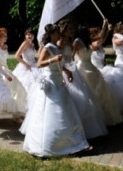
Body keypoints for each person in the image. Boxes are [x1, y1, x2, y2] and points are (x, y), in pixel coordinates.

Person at [20, 24, 91, 157]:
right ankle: (49, 146)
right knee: (54, 112)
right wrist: (52, 59)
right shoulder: (47, 47)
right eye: (57, 33)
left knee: (67, 112)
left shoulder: (56, 47)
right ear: (52, 34)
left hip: (59, 81)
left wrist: (68, 71)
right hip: (51, 83)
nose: (59, 34)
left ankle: (72, 143)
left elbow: (60, 63)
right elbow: (39, 64)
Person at [57, 18, 107, 139]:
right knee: (76, 99)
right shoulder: (60, 42)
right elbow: (59, 59)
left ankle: (86, 130)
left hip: (74, 70)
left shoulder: (69, 41)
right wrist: (67, 70)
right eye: (68, 29)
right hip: (66, 71)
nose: (70, 31)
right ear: (63, 30)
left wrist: (105, 26)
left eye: (71, 29)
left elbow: (72, 57)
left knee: (85, 99)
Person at [74, 23, 123, 126]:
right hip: (83, 68)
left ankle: (103, 117)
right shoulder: (77, 42)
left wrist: (105, 25)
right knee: (90, 92)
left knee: (100, 91)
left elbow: (101, 38)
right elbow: (71, 56)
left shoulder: (87, 42)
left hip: (91, 68)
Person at [0, 27, 27, 123]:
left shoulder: (5, 47)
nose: (5, 38)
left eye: (6, 36)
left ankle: (16, 113)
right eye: (3, 36)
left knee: (18, 88)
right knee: (0, 92)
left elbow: (5, 60)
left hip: (6, 69)